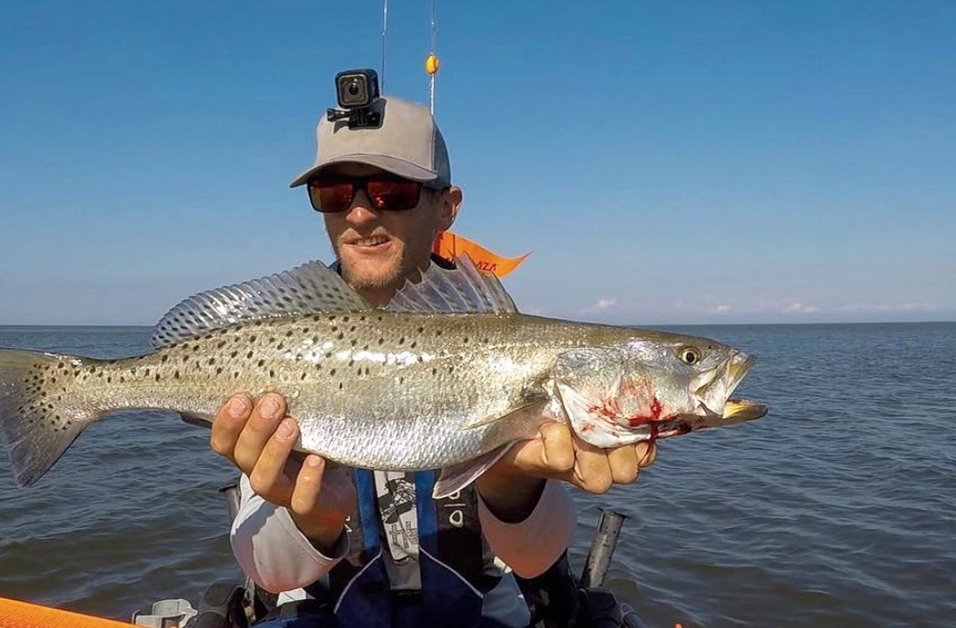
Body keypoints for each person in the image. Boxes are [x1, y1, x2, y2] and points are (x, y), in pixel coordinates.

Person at [206, 94, 656, 628]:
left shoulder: (509, 350)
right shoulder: (278, 345)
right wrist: (318, 516)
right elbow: (271, 574)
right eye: (332, 193)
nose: (358, 212)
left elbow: (535, 560)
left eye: (390, 190)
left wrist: (510, 480)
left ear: (447, 205)